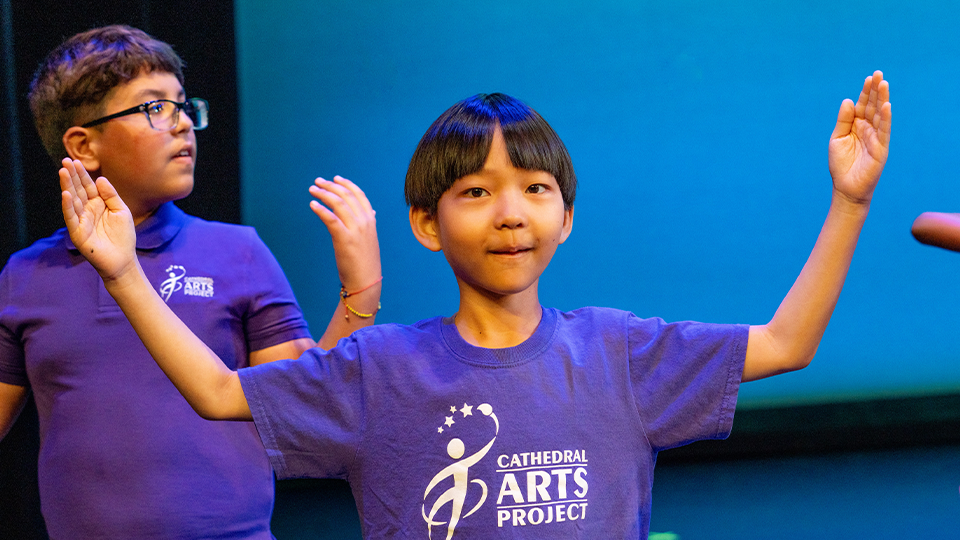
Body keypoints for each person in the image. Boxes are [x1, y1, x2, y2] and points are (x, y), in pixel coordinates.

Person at [59, 71, 891, 538]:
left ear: (565, 215)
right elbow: (216, 392)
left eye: (533, 188)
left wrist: (849, 203)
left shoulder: (619, 352)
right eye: (475, 191)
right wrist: (126, 275)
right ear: (426, 223)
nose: (509, 212)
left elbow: (786, 343)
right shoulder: (378, 369)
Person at [0, 25, 381, 538]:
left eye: (183, 105)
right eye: (155, 108)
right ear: (83, 145)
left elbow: (300, 406)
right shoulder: (27, 276)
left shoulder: (237, 252)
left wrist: (361, 287)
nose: (183, 125)